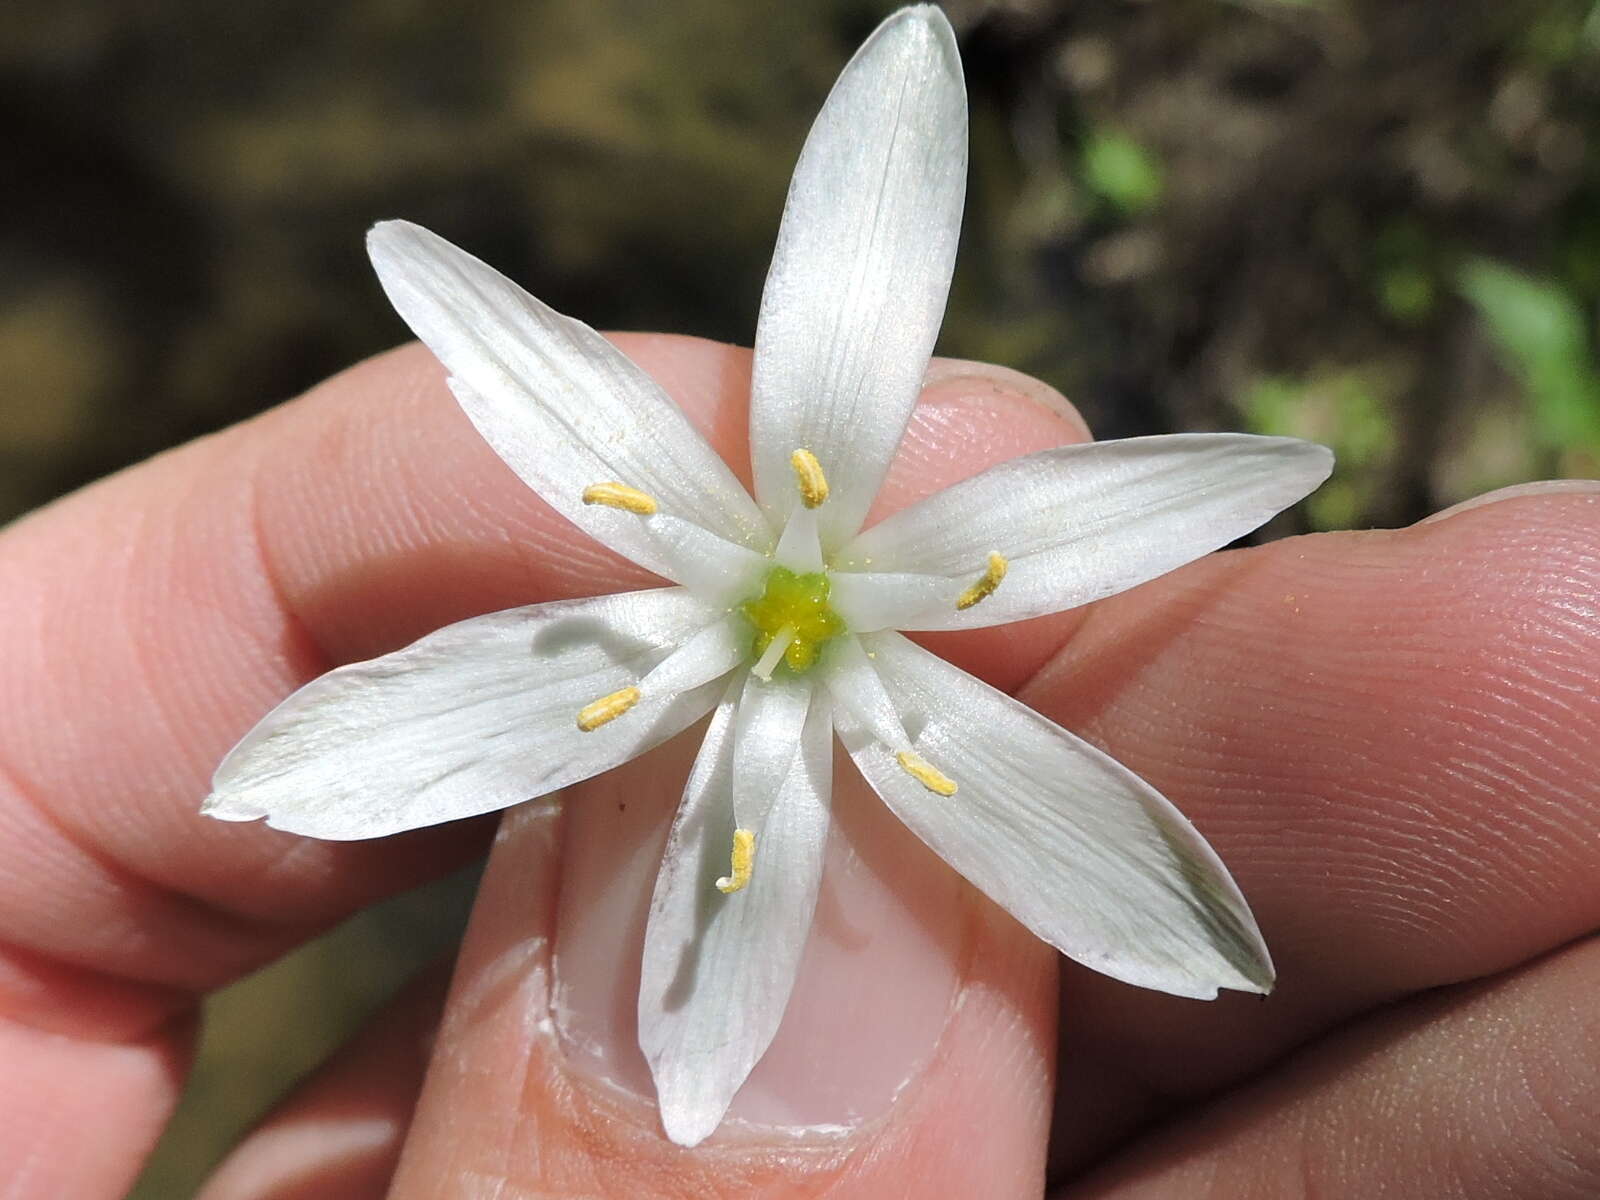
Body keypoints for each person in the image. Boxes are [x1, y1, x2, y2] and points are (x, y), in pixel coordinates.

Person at [2, 335, 1596, 1198]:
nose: (800, 602)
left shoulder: (839, 586)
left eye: (809, 602)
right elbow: (324, 762)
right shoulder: (763, 567)